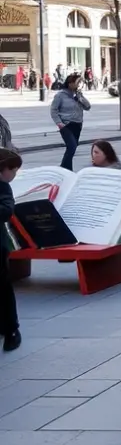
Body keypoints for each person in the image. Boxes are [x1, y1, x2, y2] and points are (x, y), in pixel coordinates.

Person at [0, 148, 22, 351]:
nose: (14, 175)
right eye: (14, 170)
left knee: (3, 288)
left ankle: (11, 330)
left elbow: (7, 210)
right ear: (4, 168)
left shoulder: (3, 187)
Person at [50, 73, 91, 170]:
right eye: (77, 82)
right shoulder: (60, 95)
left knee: (73, 148)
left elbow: (88, 107)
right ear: (70, 83)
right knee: (71, 146)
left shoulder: (78, 95)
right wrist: (59, 123)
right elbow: (53, 110)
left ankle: (64, 169)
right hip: (66, 125)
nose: (79, 85)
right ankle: (66, 169)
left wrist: (80, 98)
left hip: (77, 124)